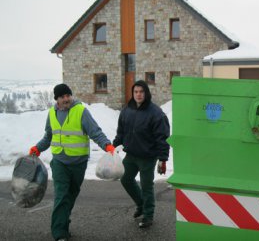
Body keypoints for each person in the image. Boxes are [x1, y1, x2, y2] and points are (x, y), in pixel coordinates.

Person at [29, 83, 115, 241]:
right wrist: (38, 148)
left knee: (71, 195)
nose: (66, 99)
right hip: (59, 162)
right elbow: (49, 136)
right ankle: (59, 232)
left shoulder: (81, 111)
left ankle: (63, 222)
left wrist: (107, 145)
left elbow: (95, 132)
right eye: (62, 97)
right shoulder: (52, 114)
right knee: (61, 195)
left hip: (78, 163)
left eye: (68, 95)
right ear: (57, 99)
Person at [113, 80, 170, 228]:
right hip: (131, 155)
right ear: (133, 93)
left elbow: (162, 137)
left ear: (146, 93)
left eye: (141, 92)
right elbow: (121, 131)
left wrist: (162, 159)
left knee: (146, 186)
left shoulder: (155, 113)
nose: (138, 95)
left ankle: (148, 215)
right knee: (125, 179)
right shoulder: (127, 110)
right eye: (136, 92)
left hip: (148, 157)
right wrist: (113, 147)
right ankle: (141, 204)